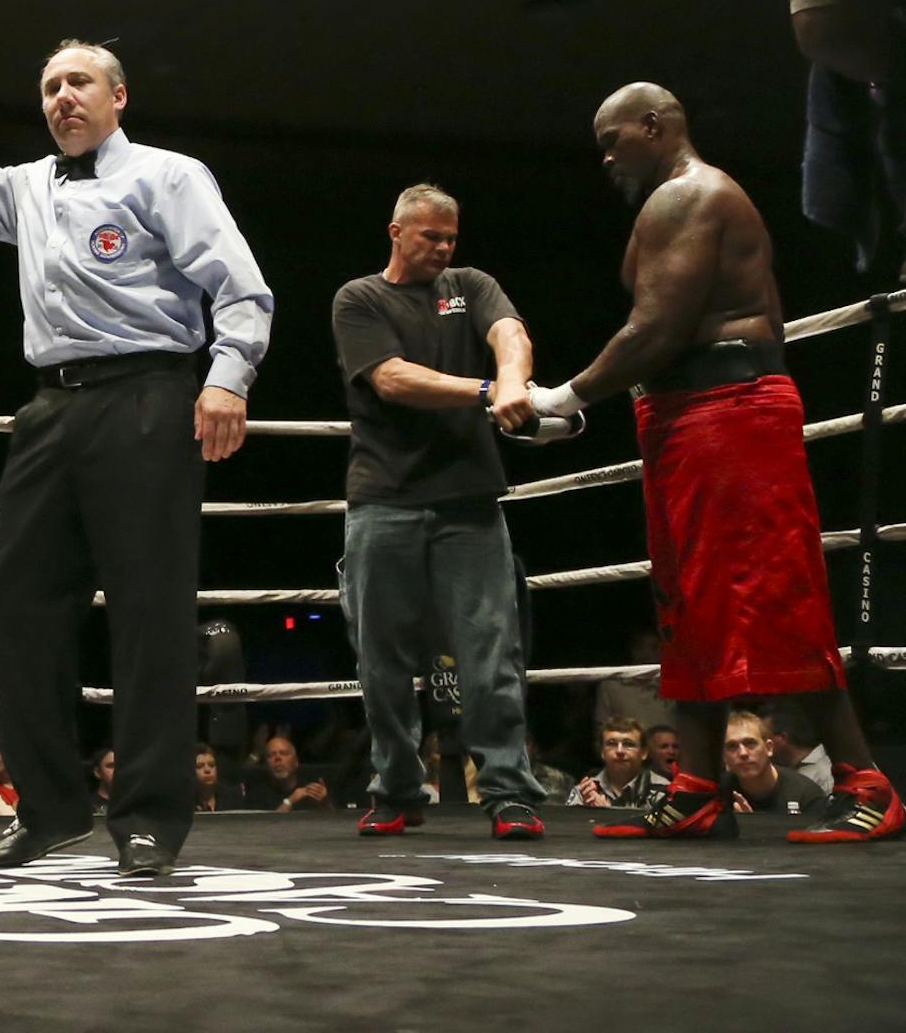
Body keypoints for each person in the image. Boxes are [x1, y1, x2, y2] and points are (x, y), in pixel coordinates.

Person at [0, 38, 272, 877]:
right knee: (17, 605)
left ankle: (147, 816)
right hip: (49, 406)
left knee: (149, 611)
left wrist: (228, 378)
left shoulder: (168, 176)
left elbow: (241, 287)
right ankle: (50, 807)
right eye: (49, 87)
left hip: (149, 391)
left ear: (118, 97)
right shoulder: (29, 184)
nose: (62, 97)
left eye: (78, 82)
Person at [529, 83, 900, 842]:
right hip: (680, 417)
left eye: (614, 139)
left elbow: (658, 326)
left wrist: (565, 396)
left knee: (777, 597)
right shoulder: (663, 206)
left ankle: (870, 785)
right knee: (685, 605)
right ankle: (696, 787)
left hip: (730, 413)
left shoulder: (693, 196)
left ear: (655, 125)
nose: (605, 157)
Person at [331, 183, 550, 841]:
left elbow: (509, 331)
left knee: (489, 652)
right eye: (430, 236)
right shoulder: (360, 297)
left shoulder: (470, 283)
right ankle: (397, 788)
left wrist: (513, 377)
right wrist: (489, 389)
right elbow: (392, 378)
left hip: (468, 499)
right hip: (385, 499)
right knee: (382, 660)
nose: (444, 248)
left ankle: (509, 791)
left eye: (451, 236)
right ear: (396, 232)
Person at [724, 710, 824, 817]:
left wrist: (750, 826)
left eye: (750, 743)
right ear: (723, 756)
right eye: (732, 746)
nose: (743, 753)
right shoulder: (716, 794)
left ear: (769, 748)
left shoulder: (806, 795)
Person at [567, 717, 669, 810]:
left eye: (628, 744)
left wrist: (607, 813)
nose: (619, 751)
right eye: (612, 743)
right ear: (602, 752)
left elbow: (664, 829)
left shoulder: (663, 789)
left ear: (644, 753)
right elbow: (567, 828)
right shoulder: (586, 790)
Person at [242, 736, 329, 813]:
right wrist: (291, 801)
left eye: (284, 753)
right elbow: (263, 828)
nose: (278, 758)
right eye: (271, 755)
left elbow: (335, 823)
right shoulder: (256, 796)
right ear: (265, 765)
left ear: (296, 762)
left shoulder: (310, 790)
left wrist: (325, 802)